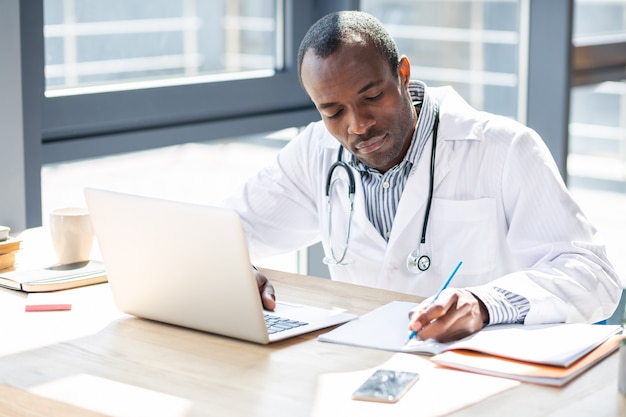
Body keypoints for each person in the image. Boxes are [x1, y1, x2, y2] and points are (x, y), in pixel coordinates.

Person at [223, 11, 622, 343]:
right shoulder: (316, 152)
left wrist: (485, 303)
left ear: (403, 74)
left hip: (478, 376)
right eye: (333, 112)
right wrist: (233, 269)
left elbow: (594, 276)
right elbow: (221, 231)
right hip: (365, 364)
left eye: (372, 96)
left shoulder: (504, 148)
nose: (358, 125)